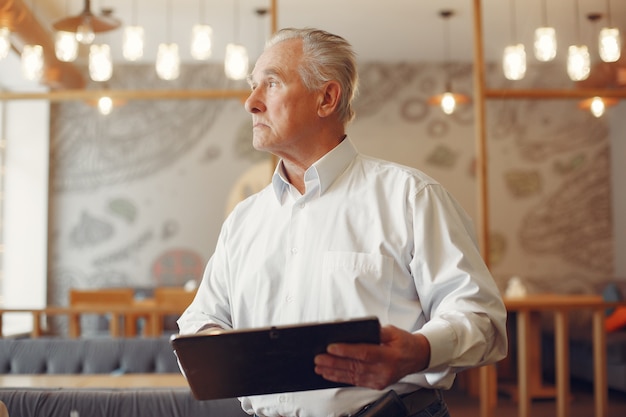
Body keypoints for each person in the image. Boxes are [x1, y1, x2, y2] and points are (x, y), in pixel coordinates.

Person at [177, 27, 507, 417]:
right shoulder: (243, 220)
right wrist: (220, 346)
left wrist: (421, 350)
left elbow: (482, 320)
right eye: (253, 86)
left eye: (271, 83)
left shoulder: (410, 196)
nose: (251, 102)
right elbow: (200, 321)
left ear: (327, 98)